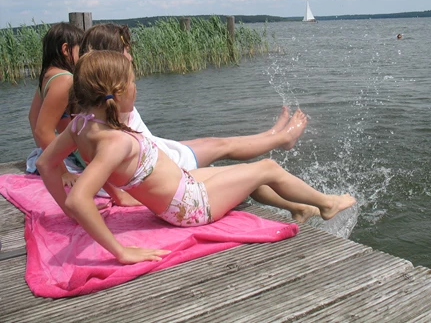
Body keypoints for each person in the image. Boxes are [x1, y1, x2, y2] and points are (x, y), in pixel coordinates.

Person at [36, 51, 357, 264]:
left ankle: (298, 208)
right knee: (267, 167)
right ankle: (326, 205)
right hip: (189, 206)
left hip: (180, 190)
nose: (137, 88)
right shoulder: (114, 142)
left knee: (239, 172)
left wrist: (73, 216)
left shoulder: (81, 125)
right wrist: (120, 251)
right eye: (134, 82)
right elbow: (80, 198)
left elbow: (45, 164)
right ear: (117, 92)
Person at [79, 23, 320, 222]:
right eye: (125, 50)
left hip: (156, 153)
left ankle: (274, 135)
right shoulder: (113, 102)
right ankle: (280, 138)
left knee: (219, 146)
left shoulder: (92, 108)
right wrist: (121, 196)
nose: (130, 56)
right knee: (223, 147)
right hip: (164, 167)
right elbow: (107, 157)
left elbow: (94, 153)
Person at [27, 22, 84, 186]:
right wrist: (63, 172)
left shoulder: (48, 76)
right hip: (80, 153)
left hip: (69, 151)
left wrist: (43, 151)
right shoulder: (65, 80)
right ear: (66, 49)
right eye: (81, 51)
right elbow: (43, 130)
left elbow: (32, 117)